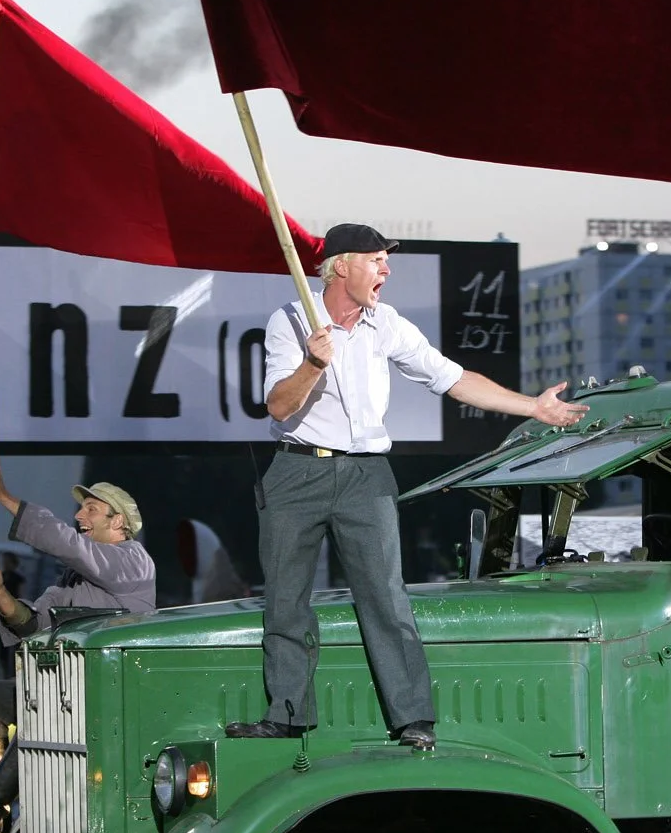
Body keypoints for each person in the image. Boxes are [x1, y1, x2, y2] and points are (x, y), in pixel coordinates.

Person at [226, 224, 587, 751]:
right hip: (296, 471)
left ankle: (413, 718)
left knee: (386, 597)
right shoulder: (291, 320)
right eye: (376, 260)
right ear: (341, 266)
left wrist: (534, 406)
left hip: (366, 476)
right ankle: (286, 715)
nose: (386, 270)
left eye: (385, 260)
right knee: (285, 599)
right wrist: (313, 363)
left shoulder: (386, 323)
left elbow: (452, 378)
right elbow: (279, 406)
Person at [0, 463, 156, 833]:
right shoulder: (73, 579)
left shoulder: (133, 560)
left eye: (90, 509)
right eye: (81, 508)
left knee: (43, 707)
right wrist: (0, 593)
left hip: (112, 691)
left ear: (118, 521)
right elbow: (33, 625)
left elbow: (68, 545)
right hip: (67, 689)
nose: (79, 516)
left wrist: (4, 498)